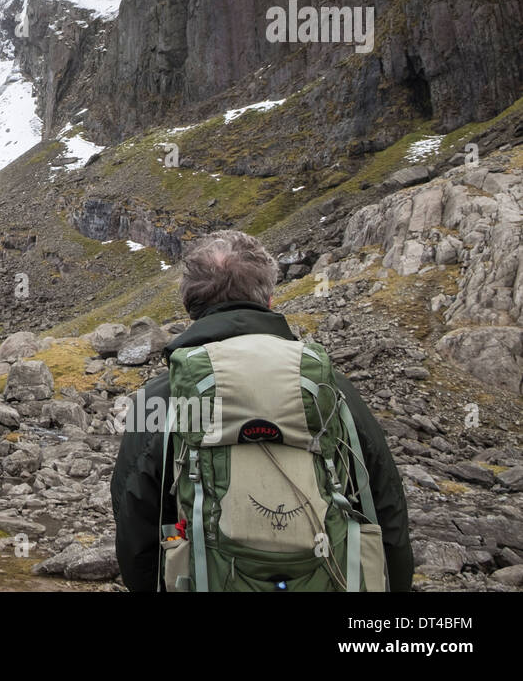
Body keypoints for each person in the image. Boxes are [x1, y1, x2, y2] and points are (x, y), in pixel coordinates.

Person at [110, 230, 414, 591]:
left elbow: (133, 516)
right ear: (269, 299)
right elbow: (384, 500)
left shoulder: (157, 398)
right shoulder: (328, 386)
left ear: (190, 305)